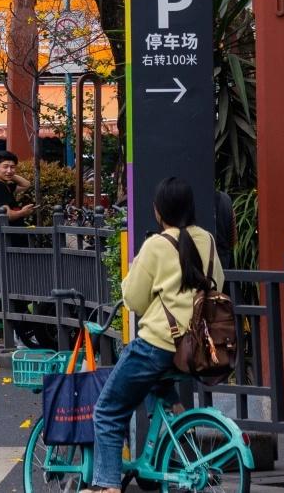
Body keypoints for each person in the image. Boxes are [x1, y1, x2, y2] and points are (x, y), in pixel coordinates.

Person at [91, 176, 223, 493]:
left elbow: (135, 300)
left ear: (158, 210)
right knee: (154, 389)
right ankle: (172, 440)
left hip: (159, 344)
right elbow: (217, 284)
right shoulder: (207, 240)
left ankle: (106, 485)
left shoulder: (156, 244)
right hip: (197, 347)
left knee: (108, 412)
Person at [0, 151, 36, 228]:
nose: (9, 170)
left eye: (12, 167)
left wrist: (9, 174)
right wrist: (23, 212)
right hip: (6, 236)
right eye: (5, 167)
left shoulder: (3, 184)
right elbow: (6, 215)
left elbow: (26, 185)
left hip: (9, 234)